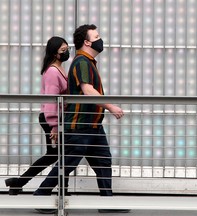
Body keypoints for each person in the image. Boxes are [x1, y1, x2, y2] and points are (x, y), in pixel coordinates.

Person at [33, 24, 130, 214]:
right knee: (68, 162)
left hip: (92, 125)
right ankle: (40, 196)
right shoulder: (82, 62)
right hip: (80, 126)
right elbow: (87, 90)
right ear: (87, 42)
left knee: (103, 161)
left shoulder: (88, 62)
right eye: (97, 36)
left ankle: (107, 202)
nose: (100, 40)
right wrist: (111, 107)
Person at [5, 36, 70, 197]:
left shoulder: (59, 69)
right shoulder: (53, 72)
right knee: (58, 154)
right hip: (52, 119)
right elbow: (51, 101)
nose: (67, 52)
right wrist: (54, 125)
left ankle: (19, 183)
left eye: (68, 49)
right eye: (63, 50)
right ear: (55, 53)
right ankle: (20, 183)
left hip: (56, 119)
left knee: (62, 154)